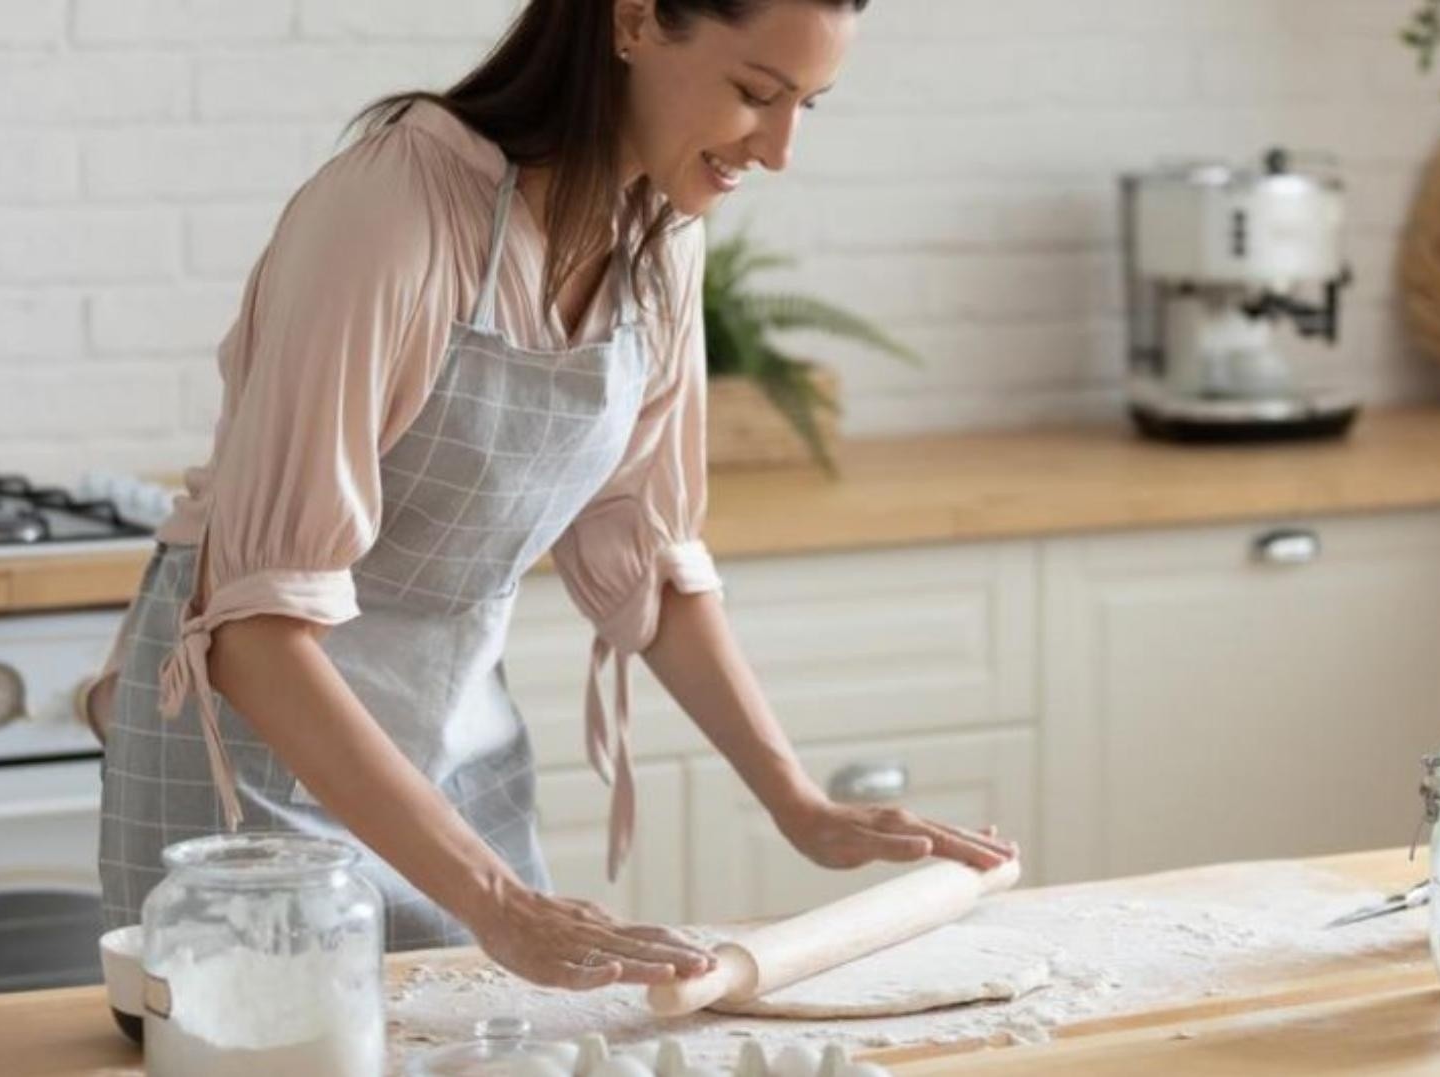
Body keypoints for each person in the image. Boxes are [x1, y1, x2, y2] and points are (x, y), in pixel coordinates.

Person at [80, 0, 1016, 991]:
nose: (778, 151)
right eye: (754, 94)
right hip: (254, 770)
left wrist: (797, 802)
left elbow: (646, 558)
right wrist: (496, 903)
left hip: (453, 741)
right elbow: (253, 630)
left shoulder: (661, 232)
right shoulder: (397, 209)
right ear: (635, 21)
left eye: (807, 108)